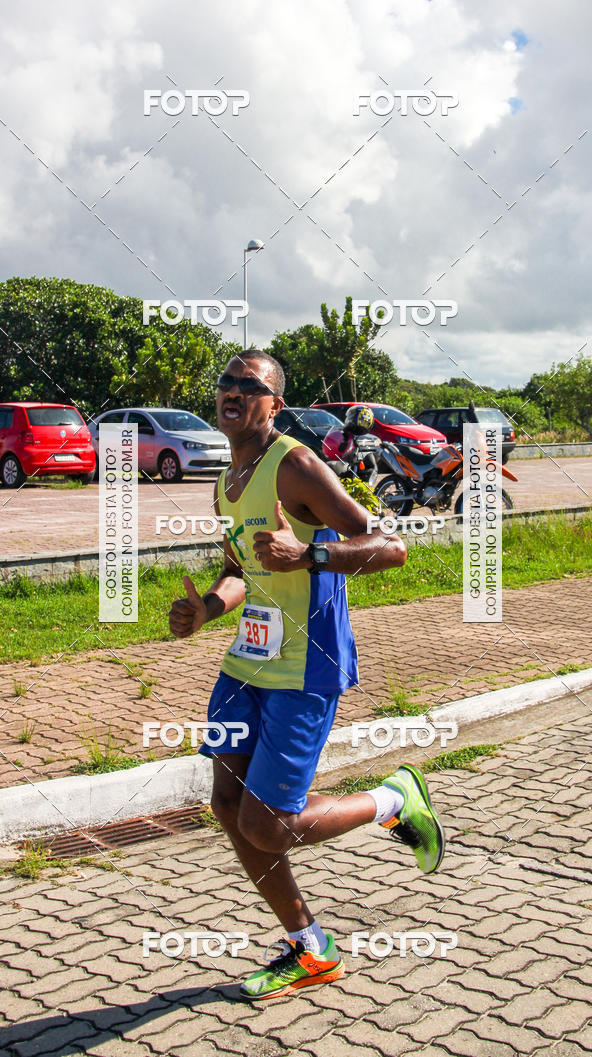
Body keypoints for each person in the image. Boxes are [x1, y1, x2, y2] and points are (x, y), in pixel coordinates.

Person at [169, 349, 445, 1000]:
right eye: (227, 381)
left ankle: (394, 800)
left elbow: (389, 545)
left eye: (251, 385)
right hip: (247, 662)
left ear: (273, 404)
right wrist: (206, 608)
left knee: (269, 824)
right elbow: (243, 568)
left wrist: (309, 551)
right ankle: (310, 947)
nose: (234, 390)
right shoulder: (226, 478)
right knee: (229, 805)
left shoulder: (294, 464)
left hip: (305, 665)